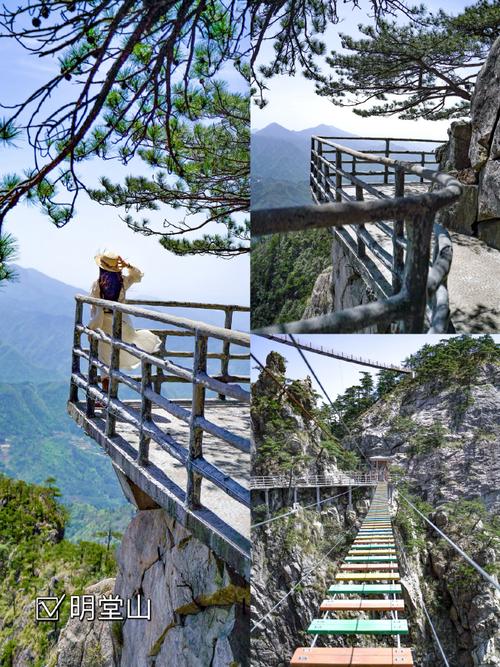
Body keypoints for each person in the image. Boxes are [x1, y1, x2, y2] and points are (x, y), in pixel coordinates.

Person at [88, 250, 161, 396]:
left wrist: (92, 329)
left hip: (106, 323)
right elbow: (138, 275)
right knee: (118, 353)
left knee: (104, 359)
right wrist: (127, 265)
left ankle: (106, 395)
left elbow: (98, 310)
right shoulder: (122, 283)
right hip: (125, 323)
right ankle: (109, 394)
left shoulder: (98, 284)